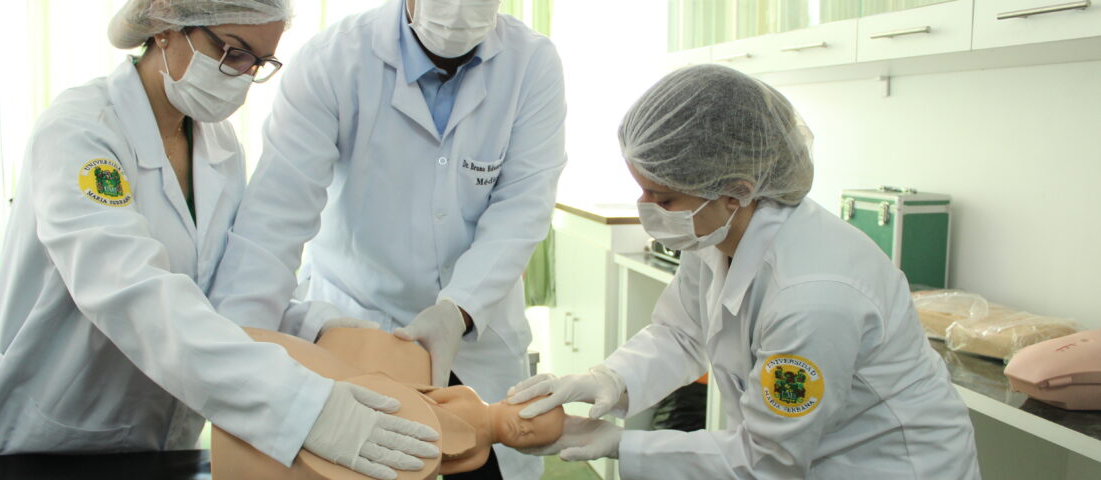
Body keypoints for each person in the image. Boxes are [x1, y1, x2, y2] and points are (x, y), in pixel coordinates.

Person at [0, 2, 440, 479]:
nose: (243, 76)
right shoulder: (81, 133)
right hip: (42, 437)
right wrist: (302, 406)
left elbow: (217, 291)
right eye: (233, 52)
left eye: (259, 63)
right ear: (166, 22)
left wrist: (318, 327)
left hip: (152, 441)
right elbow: (131, 294)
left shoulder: (219, 146)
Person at [506, 64, 982, 479]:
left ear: (735, 190)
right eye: (643, 190)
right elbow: (681, 333)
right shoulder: (716, 229)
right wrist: (609, 379)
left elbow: (766, 462)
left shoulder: (812, 298)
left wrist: (619, 444)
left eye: (663, 198)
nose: (645, 208)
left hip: (886, 466)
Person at [207, 0, 567, 478]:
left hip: (475, 332)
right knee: (357, 460)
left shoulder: (531, 64)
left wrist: (458, 309)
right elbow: (275, 216)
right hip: (359, 325)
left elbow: (522, 206)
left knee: (484, 455)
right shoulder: (334, 60)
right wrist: (240, 363)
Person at [212, 327, 567, 479]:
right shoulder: (468, 396)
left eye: (531, 437)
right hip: (397, 406)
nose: (524, 430)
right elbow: (431, 394)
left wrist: (426, 470)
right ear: (515, 397)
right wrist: (402, 393)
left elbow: (447, 467)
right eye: (530, 419)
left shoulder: (482, 456)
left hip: (405, 463)